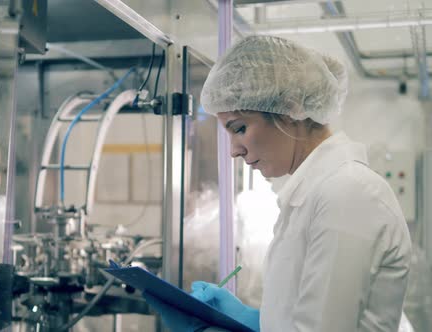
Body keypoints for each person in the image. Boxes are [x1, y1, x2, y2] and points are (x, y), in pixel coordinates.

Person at [144, 35, 412, 332]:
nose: (234, 150)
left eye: (240, 128)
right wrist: (252, 321)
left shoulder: (347, 194)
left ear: (290, 108)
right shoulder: (314, 194)